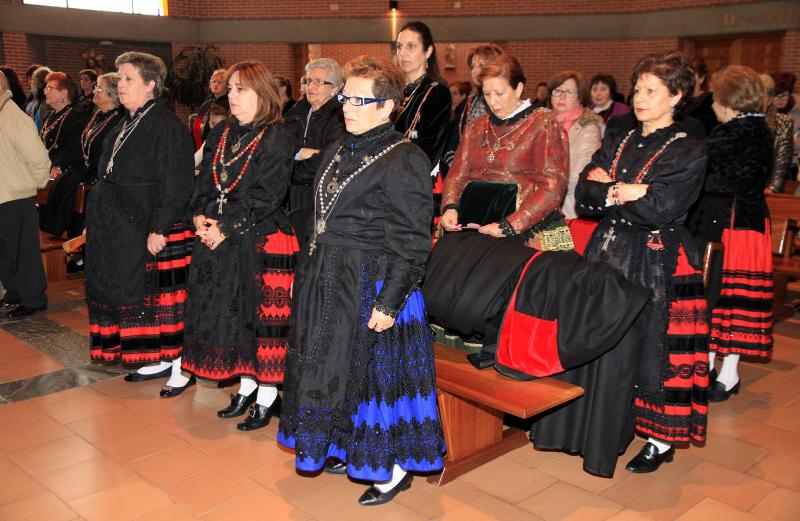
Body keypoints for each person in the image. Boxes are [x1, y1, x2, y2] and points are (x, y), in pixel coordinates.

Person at [532, 51, 709, 477]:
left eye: (652, 90)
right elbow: (585, 194)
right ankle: (596, 426)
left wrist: (613, 190)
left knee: (652, 351)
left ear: (676, 96)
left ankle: (659, 439)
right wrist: (624, 191)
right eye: (639, 88)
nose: (641, 98)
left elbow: (661, 208)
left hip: (657, 261)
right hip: (608, 252)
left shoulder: (688, 149)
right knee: (597, 339)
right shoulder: (619, 134)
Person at [278, 55, 444, 506]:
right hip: (327, 276)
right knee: (330, 370)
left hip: (374, 282)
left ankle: (391, 470)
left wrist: (390, 302)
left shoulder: (405, 158)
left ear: (387, 106)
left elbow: (413, 240)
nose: (347, 107)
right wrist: (306, 274)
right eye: (345, 98)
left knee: (372, 379)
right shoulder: (338, 147)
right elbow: (319, 220)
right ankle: (343, 443)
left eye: (359, 100)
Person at [181, 61, 300, 429]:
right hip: (220, 237)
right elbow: (203, 182)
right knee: (233, 321)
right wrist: (199, 217)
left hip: (260, 239)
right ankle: (247, 388)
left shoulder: (276, 135)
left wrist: (226, 227)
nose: (231, 96)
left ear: (261, 94)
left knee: (260, 322)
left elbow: (268, 195)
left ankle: (267, 396)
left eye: (240, 89)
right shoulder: (222, 132)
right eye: (230, 88)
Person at [85, 52, 195, 396]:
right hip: (122, 226)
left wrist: (160, 227)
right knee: (142, 298)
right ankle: (159, 357)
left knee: (164, 300)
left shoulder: (166, 125)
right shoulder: (125, 121)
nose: (120, 84)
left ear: (150, 85)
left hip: (152, 225)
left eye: (128, 78)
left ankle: (181, 366)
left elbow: (178, 181)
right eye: (119, 78)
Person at [688, 65, 773, 402]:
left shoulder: (740, 132)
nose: (712, 105)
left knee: (727, 298)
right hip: (736, 222)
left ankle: (728, 373)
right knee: (721, 298)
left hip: (735, 226)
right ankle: (711, 367)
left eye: (716, 99)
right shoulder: (750, 129)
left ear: (729, 102)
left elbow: (723, 179)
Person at [440, 54, 570, 249]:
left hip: (525, 227)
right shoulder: (476, 126)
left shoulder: (544, 124)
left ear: (518, 88)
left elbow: (553, 187)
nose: (493, 101)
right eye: (487, 94)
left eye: (500, 93)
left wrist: (510, 225)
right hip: (475, 222)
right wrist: (450, 207)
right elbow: (457, 175)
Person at [0, 70, 51, 318]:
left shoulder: (14, 117)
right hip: (4, 194)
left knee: (23, 251)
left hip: (16, 196)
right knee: (4, 251)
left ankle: (33, 298)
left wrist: (33, 185)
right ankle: (14, 291)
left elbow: (38, 158)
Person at [66, 72, 124, 273]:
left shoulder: (118, 120)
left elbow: (105, 153)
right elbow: (83, 144)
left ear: (112, 95)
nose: (94, 92)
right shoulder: (97, 115)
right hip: (87, 175)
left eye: (99, 88)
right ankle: (80, 256)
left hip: (101, 179)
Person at [394, 21, 452, 212]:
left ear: (428, 51)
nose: (403, 53)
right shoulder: (394, 91)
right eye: (399, 46)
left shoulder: (436, 92)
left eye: (411, 46)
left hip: (416, 184)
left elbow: (428, 149)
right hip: (388, 177)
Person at [284, 58, 345, 215]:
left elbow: (328, 161)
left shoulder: (341, 117)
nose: (310, 86)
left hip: (321, 198)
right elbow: (278, 148)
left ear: (334, 88)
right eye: (308, 81)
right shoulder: (295, 112)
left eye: (318, 82)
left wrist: (287, 170)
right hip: (289, 197)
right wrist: (301, 153)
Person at [38, 71, 89, 238]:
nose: (45, 92)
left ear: (64, 93)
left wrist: (58, 165)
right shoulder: (51, 115)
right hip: (46, 169)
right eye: (45, 88)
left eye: (50, 88)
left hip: (64, 170)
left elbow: (73, 144)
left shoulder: (76, 114)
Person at [548, 70, 603, 219]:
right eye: (557, 91)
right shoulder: (542, 122)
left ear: (579, 98)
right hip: (535, 205)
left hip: (567, 208)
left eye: (569, 92)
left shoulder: (589, 127)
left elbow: (578, 175)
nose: (562, 96)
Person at [761, 74, 794, 194]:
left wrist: (773, 188)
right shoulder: (742, 119)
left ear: (770, 99)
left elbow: (782, 159)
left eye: (762, 96)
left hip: (767, 186)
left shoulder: (782, 121)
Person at [190, 69, 229, 150]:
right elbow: (199, 118)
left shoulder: (228, 103)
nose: (215, 84)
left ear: (226, 85)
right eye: (214, 82)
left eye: (219, 82)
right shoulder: (208, 101)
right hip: (200, 141)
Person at [771, 72, 799, 181]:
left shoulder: (797, 111)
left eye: (784, 96)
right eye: (776, 95)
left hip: (793, 165)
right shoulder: (766, 110)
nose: (780, 100)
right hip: (771, 165)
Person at [679, 56, 716, 136]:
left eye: (691, 75)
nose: (688, 80)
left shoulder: (709, 100)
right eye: (685, 76)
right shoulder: (679, 100)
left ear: (701, 78)